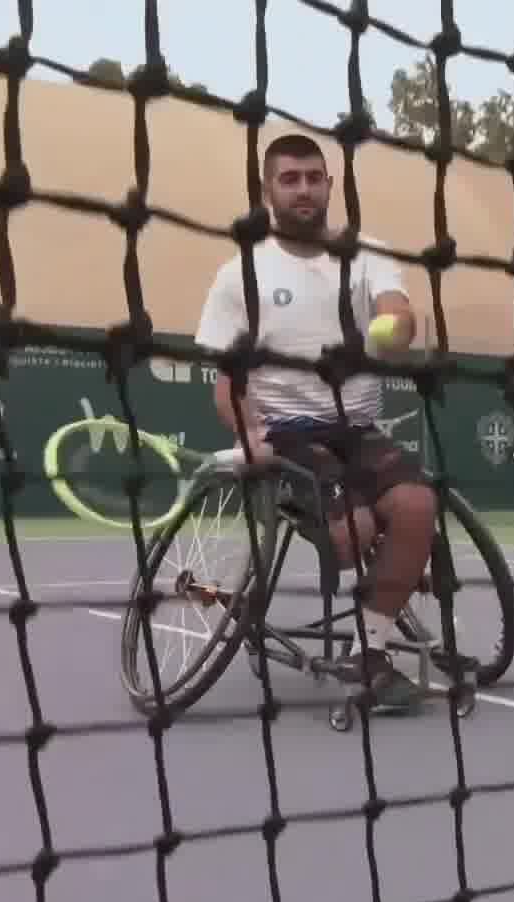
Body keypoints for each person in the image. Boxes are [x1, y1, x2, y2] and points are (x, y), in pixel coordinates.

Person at [192, 132, 430, 713]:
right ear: (268, 189)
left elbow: (399, 318)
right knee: (355, 530)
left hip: (358, 429)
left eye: (313, 177)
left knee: (418, 507)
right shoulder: (238, 274)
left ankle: (369, 651)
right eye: (289, 179)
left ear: (330, 185)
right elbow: (228, 383)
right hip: (287, 433)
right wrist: (249, 436)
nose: (303, 188)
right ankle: (384, 584)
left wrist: (383, 331)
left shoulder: (366, 252)